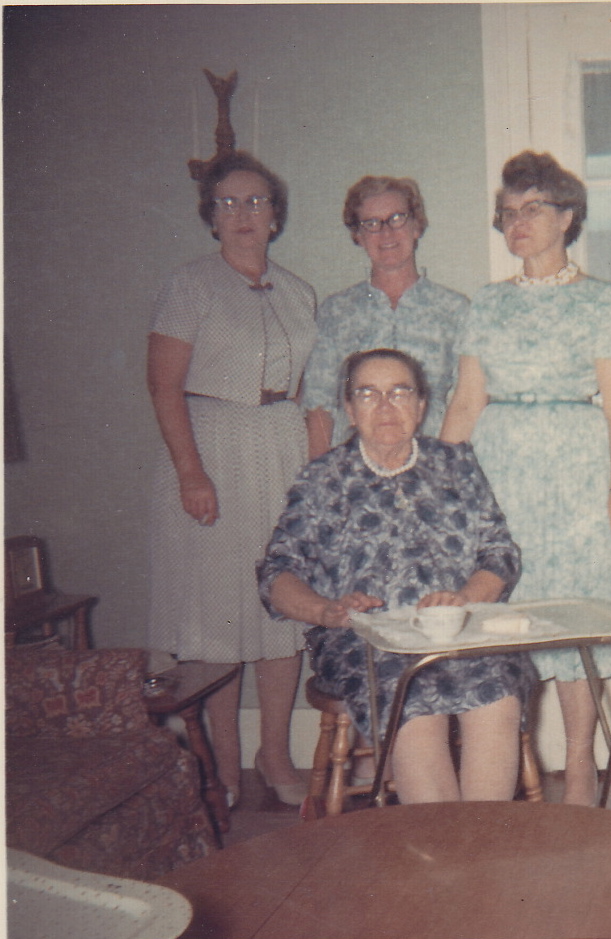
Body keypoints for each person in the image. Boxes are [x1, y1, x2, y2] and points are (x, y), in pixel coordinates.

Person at [441, 151, 611, 807]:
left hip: (577, 475)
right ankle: (508, 767)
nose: (517, 222)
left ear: (567, 217)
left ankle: (581, 765)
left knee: (573, 619)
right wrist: (436, 489)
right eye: (508, 212)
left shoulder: (599, 300)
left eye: (532, 208)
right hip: (499, 471)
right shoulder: (488, 302)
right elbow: (465, 402)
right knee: (504, 618)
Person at [259, 349, 536, 804]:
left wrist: (465, 598)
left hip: (460, 630)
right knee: (412, 702)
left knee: (498, 694)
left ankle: (482, 839)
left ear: (421, 405)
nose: (386, 406)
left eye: (400, 392)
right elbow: (276, 573)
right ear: (349, 409)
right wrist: (326, 611)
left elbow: (499, 552)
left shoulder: (455, 464)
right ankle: (443, 841)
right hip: (368, 640)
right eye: (368, 394)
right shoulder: (323, 479)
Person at [147, 151, 317, 807]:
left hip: (281, 444)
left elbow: (306, 387)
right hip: (213, 447)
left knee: (282, 602)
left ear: (275, 216)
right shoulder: (189, 285)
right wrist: (191, 471)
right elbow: (163, 385)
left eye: (256, 202)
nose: (243, 214)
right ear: (210, 217)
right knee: (218, 610)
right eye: (228, 203)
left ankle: (274, 755)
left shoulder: (298, 292)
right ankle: (222, 763)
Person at [303, 176, 467, 459]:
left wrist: (444, 469)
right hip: (355, 466)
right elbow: (319, 403)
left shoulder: (454, 310)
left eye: (397, 219)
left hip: (431, 462)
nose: (386, 232)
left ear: (416, 226)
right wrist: (319, 472)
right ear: (358, 235)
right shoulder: (336, 311)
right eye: (372, 223)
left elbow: (464, 402)